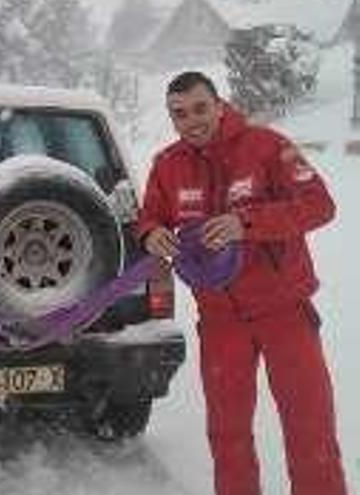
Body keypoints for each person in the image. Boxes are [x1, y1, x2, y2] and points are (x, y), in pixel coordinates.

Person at [138, 71, 347, 495]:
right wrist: (150, 233)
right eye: (179, 114)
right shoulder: (167, 165)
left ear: (219, 104)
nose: (192, 121)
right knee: (227, 436)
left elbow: (319, 205)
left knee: (310, 432)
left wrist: (246, 222)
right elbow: (150, 217)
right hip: (219, 322)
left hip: (283, 312)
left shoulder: (267, 147)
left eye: (200, 108)